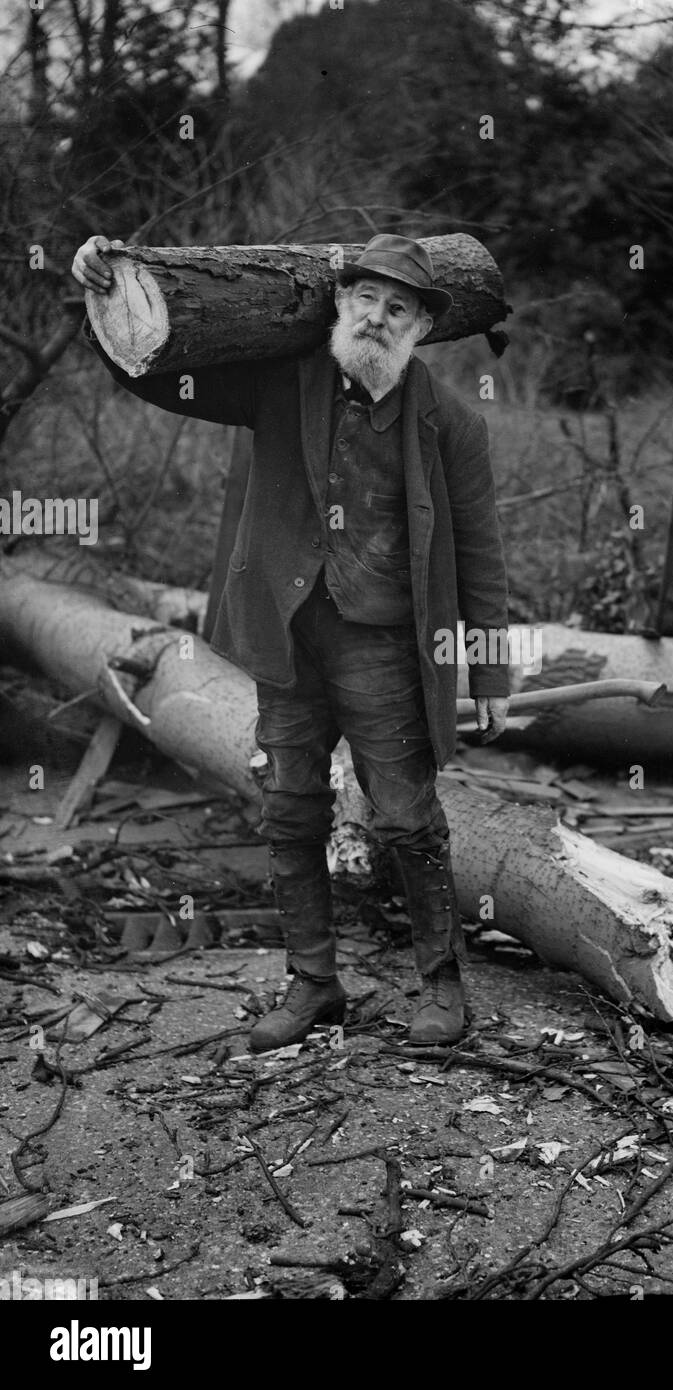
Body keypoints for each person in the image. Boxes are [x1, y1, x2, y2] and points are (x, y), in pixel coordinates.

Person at [72, 232, 511, 1050]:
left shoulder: (449, 422)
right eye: (366, 300)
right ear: (339, 304)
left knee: (408, 820)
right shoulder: (283, 382)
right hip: (286, 636)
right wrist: (105, 296)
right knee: (290, 808)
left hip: (385, 647)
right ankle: (313, 986)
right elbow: (163, 375)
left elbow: (480, 556)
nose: (377, 319)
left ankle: (442, 990)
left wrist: (489, 679)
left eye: (398, 308)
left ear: (420, 326)